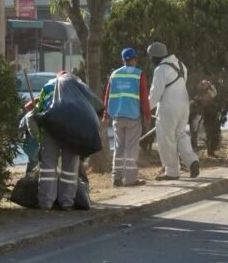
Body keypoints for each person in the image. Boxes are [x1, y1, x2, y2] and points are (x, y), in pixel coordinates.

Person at [34, 71, 94, 210]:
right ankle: (67, 202)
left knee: (48, 165)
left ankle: (46, 202)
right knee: (70, 167)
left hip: (51, 127)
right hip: (72, 129)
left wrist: (41, 137)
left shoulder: (48, 86)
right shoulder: (79, 87)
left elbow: (40, 110)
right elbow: (87, 111)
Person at [147, 41, 200, 181]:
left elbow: (155, 94)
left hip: (168, 107)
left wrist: (145, 108)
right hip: (184, 105)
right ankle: (192, 161)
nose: (150, 60)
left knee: (166, 138)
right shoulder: (181, 65)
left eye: (151, 57)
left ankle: (172, 171)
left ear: (155, 56)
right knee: (181, 135)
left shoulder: (161, 69)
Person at [103, 48, 151, 187]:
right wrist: (147, 116)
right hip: (133, 117)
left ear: (123, 60)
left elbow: (107, 96)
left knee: (118, 147)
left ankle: (116, 178)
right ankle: (130, 179)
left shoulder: (114, 74)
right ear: (135, 59)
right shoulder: (138, 74)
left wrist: (105, 115)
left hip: (117, 117)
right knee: (131, 147)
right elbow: (144, 98)